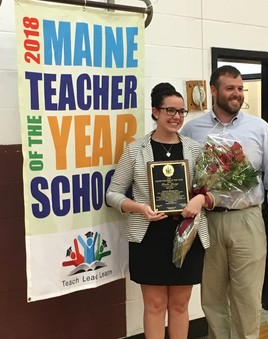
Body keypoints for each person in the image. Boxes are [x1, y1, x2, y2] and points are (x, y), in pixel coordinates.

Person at [181, 65, 268, 339]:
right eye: (230, 88)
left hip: (248, 219)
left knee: (248, 297)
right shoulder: (193, 130)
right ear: (213, 90)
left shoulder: (259, 128)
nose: (237, 94)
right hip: (208, 220)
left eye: (240, 89)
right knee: (212, 298)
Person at [106, 82, 213, 339]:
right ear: (155, 112)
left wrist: (200, 200)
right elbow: (113, 194)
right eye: (170, 111)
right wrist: (139, 207)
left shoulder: (195, 149)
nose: (176, 117)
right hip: (149, 235)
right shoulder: (135, 150)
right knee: (154, 306)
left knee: (179, 305)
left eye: (181, 112)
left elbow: (212, 191)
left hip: (187, 234)